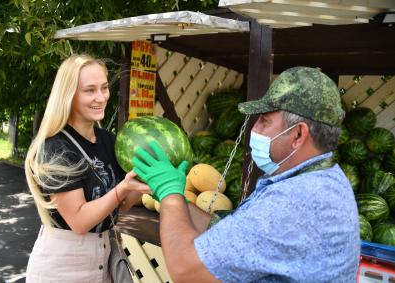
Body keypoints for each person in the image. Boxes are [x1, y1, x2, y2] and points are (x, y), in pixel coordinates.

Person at [132, 66, 360, 282]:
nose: (254, 129)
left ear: (298, 135)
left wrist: (171, 197)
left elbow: (185, 269)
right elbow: (231, 237)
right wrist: (174, 196)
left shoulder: (294, 202)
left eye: (264, 121)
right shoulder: (327, 180)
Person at [24, 54, 150, 282]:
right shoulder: (55, 148)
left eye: (104, 88)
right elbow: (79, 221)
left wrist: (145, 180)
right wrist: (123, 188)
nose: (101, 98)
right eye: (90, 90)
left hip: (102, 258)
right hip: (62, 266)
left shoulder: (108, 140)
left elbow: (119, 206)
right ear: (69, 95)